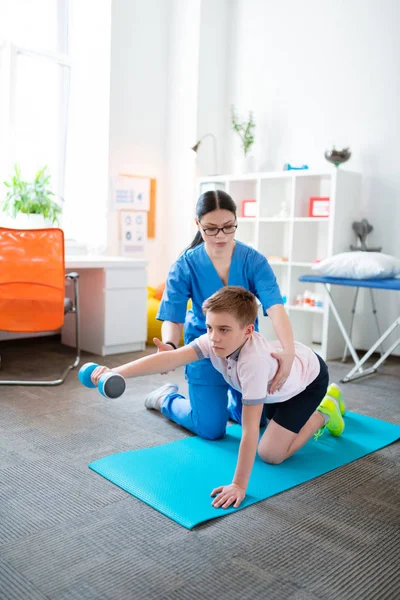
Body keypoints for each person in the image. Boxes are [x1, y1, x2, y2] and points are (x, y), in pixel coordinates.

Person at [91, 286, 345, 509]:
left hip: (307, 382)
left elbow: (248, 431)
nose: (214, 337)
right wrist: (115, 372)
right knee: (266, 427)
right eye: (210, 327)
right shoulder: (214, 340)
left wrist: (238, 485)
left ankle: (323, 412)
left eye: (223, 329)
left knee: (270, 454)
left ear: (247, 331)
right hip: (277, 389)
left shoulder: (253, 363)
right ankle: (308, 413)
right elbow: (171, 357)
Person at [148, 189, 296, 440]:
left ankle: (221, 406)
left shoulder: (254, 261)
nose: (221, 235)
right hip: (206, 349)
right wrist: (171, 347)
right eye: (211, 228)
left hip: (246, 352)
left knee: (257, 421)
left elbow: (275, 307)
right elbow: (173, 316)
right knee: (210, 429)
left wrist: (289, 351)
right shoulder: (184, 265)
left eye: (228, 227)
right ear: (198, 224)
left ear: (236, 220)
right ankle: (166, 398)